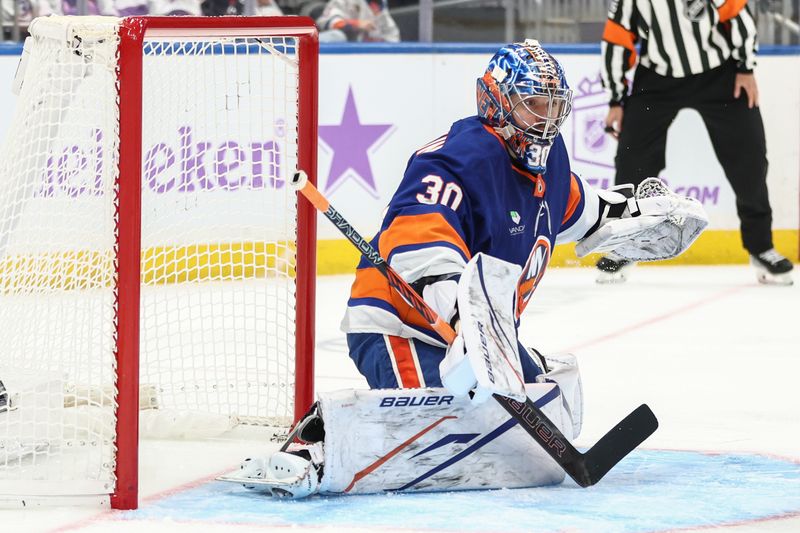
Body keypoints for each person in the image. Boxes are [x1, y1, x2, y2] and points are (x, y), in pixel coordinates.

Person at [226, 40, 702, 498]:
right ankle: (313, 443)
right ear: (496, 102)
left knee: (544, 400)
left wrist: (634, 217)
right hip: (401, 326)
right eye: (533, 104)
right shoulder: (458, 159)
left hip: (482, 337)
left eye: (554, 106)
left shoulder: (549, 162)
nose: (546, 120)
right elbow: (424, 249)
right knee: (440, 417)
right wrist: (465, 325)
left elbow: (585, 211)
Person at [598, 0, 794, 285]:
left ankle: (761, 246)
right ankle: (626, 244)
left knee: (749, 158)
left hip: (720, 74)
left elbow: (738, 16)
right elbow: (617, 38)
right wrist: (616, 98)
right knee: (633, 159)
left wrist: (745, 67)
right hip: (657, 78)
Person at [315, 0, 399, 43]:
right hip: (335, 52)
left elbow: (393, 38)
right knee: (338, 36)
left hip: (363, 59)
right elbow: (326, 21)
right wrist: (356, 23)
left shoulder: (381, 7)